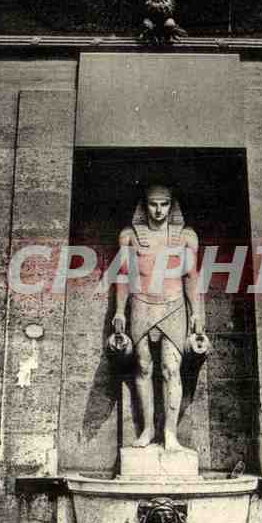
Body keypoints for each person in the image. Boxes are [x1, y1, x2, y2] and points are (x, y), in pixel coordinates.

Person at [112, 184, 203, 451]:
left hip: (173, 305)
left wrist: (196, 313)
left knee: (171, 368)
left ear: (171, 206)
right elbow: (123, 276)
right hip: (141, 304)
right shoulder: (130, 236)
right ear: (145, 206)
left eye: (164, 204)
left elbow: (191, 277)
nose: (159, 210)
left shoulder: (185, 237)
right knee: (143, 367)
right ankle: (148, 429)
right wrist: (119, 311)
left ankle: (170, 433)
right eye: (153, 204)